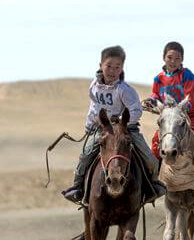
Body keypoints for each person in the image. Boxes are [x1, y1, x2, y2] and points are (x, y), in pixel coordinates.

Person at [62, 45, 166, 204]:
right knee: (86, 155)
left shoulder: (125, 90)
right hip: (103, 129)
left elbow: (136, 110)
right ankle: (78, 188)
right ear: (100, 65)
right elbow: (94, 107)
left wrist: (121, 123)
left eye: (117, 67)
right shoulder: (94, 87)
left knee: (149, 158)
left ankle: (153, 185)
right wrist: (89, 125)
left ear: (122, 69)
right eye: (109, 66)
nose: (112, 70)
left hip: (126, 129)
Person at [142, 41, 194, 186]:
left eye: (177, 58)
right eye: (170, 57)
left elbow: (191, 97)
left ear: (182, 59)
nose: (173, 61)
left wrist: (182, 108)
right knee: (156, 143)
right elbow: (156, 94)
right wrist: (151, 101)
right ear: (164, 58)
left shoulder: (188, 75)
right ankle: (154, 178)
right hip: (171, 120)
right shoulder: (158, 79)